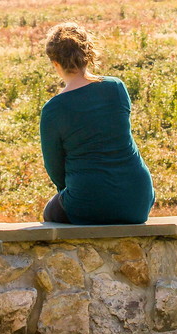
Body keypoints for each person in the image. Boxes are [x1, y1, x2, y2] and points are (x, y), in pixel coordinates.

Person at [40, 22, 155, 224]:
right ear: (89, 54)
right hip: (138, 198)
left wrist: (71, 192)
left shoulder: (53, 109)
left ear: (55, 63)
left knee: (50, 213)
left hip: (87, 200)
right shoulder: (116, 88)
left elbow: (54, 167)